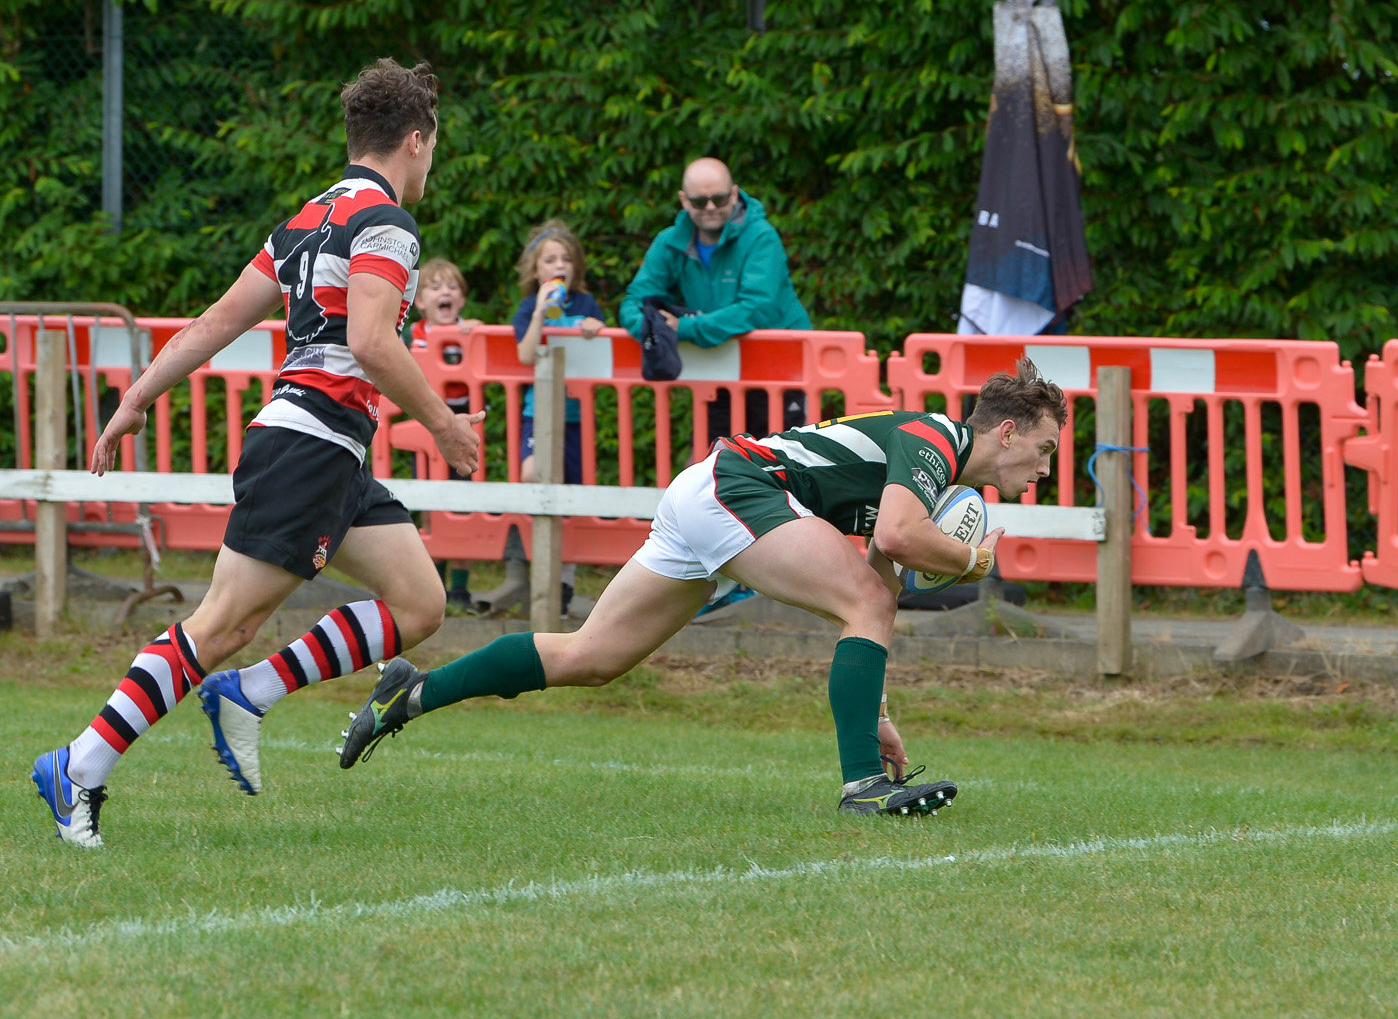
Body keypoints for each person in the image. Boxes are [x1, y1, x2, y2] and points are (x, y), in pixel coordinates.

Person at [31, 59, 482, 846]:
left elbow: (215, 320)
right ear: (416, 140)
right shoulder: (386, 225)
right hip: (307, 447)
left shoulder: (308, 219)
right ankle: (80, 764)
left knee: (419, 603)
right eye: (433, 147)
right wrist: (444, 424)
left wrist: (136, 398)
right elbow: (371, 342)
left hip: (330, 452)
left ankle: (251, 692)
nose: (431, 163)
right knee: (221, 624)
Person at [336, 361, 1070, 817]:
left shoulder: (929, 468)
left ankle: (413, 691)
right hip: (736, 486)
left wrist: (873, 712)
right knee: (869, 600)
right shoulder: (933, 438)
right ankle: (860, 790)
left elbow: (876, 575)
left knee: (592, 656)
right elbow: (899, 542)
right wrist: (971, 561)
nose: (1043, 469)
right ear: (1006, 432)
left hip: (711, 491)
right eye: (1043, 449)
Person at [619, 157, 811, 437]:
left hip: (781, 366)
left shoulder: (761, 237)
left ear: (734, 193)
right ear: (684, 201)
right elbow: (634, 300)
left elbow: (757, 309)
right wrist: (652, 327)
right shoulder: (670, 240)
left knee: (781, 464)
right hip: (722, 364)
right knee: (711, 462)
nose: (710, 207)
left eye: (719, 199)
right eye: (699, 201)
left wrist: (684, 328)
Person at [512, 220, 605, 618]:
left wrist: (594, 328)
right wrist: (539, 312)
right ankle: (535, 568)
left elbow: (603, 348)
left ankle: (563, 584)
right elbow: (525, 355)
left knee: (569, 497)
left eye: (566, 258)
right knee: (533, 475)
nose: (559, 264)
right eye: (550, 259)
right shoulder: (528, 306)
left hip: (575, 417)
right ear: (536, 270)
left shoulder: (585, 304)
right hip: (539, 414)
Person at [413, 257, 478, 609]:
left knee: (463, 507)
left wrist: (474, 333)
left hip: (463, 428)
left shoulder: (469, 331)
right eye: (436, 287)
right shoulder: (418, 335)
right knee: (430, 510)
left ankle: (461, 589)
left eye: (452, 287)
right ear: (420, 301)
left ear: (462, 299)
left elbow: (485, 351)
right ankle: (434, 584)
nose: (445, 293)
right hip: (426, 431)